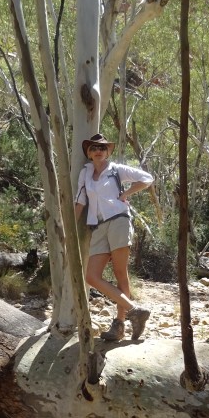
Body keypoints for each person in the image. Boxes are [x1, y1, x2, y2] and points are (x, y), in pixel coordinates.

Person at [74, 133, 153, 341]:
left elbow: (147, 179)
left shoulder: (116, 169)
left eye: (102, 148)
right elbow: (80, 201)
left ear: (108, 151)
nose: (98, 151)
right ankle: (135, 310)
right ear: (89, 153)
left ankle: (119, 325)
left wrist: (125, 194)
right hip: (98, 226)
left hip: (119, 220)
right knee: (91, 276)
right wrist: (69, 230)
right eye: (93, 148)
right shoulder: (85, 173)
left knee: (120, 273)